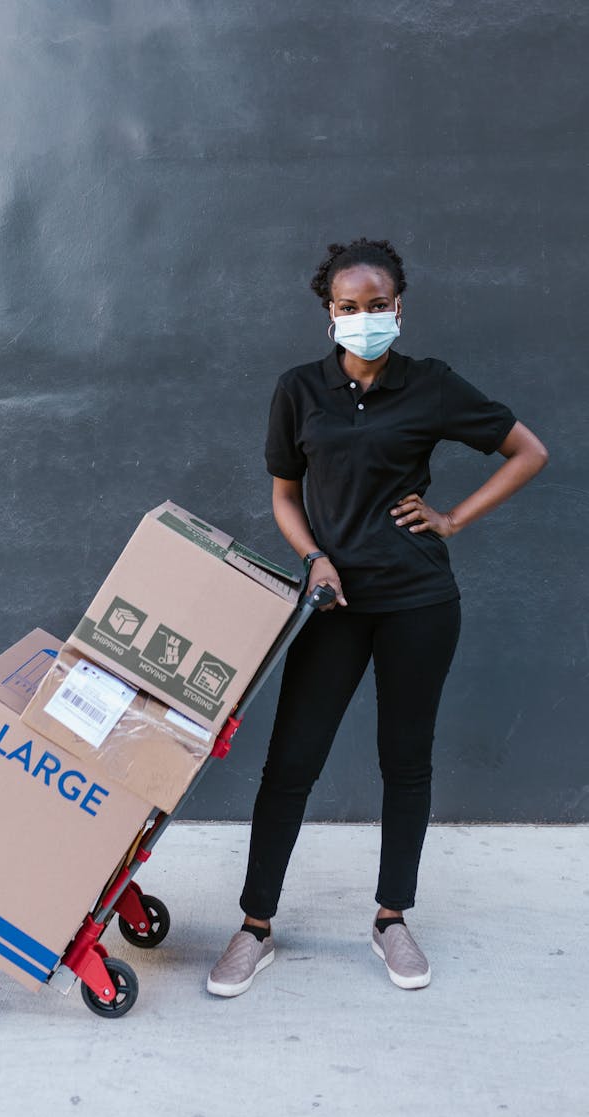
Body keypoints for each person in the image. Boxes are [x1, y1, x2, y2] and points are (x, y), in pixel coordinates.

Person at [206, 237, 548, 997]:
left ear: (400, 306)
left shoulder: (431, 386)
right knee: (291, 764)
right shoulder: (298, 390)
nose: (365, 317)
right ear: (329, 314)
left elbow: (528, 450)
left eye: (378, 304)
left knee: (407, 761)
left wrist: (453, 517)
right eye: (348, 307)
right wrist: (313, 560)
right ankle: (255, 925)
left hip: (420, 601)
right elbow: (285, 497)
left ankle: (391, 917)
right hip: (332, 605)